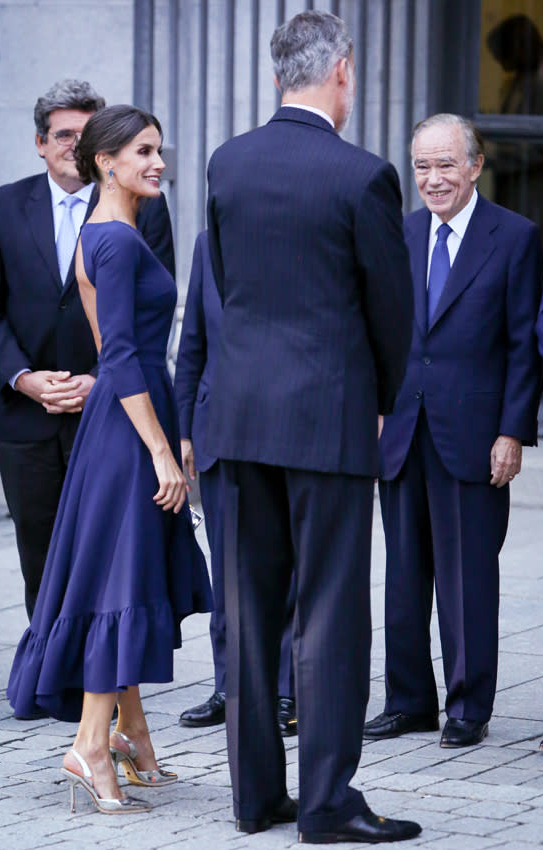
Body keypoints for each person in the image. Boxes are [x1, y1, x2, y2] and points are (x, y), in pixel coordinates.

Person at [206, 10, 420, 845]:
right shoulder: (361, 175)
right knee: (330, 611)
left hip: (241, 412)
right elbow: (392, 313)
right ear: (343, 70)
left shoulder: (228, 163)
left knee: (252, 608)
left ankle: (256, 797)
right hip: (326, 415)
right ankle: (326, 803)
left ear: (275, 75)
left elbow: (225, 285)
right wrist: (381, 396)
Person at [6, 104, 212, 814]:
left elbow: (108, 350)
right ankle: (90, 744)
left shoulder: (98, 232)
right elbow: (121, 354)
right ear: (106, 161)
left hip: (116, 418)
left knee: (114, 576)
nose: (159, 162)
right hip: (130, 431)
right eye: (144, 151)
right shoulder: (119, 242)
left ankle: (132, 737)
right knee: (117, 585)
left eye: (160, 149)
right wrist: (161, 451)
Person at [364, 113, 543, 750]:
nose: (433, 178)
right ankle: (408, 701)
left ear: (475, 165)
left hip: (473, 433)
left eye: (445, 164)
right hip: (403, 429)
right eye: (421, 165)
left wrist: (513, 432)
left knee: (468, 578)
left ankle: (468, 706)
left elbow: (525, 345)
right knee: (404, 576)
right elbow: (380, 330)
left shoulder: (515, 237)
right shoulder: (399, 233)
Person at [0, 79, 175, 623]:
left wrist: (101, 379)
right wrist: (23, 377)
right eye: (63, 134)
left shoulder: (141, 207)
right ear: (40, 143)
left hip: (110, 405)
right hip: (26, 416)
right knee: (40, 553)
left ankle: (103, 679)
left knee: (111, 554)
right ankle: (53, 675)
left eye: (84, 133)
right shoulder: (2, 205)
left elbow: (147, 314)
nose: (74, 144)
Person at [175, 230, 297, 735]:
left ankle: (287, 688)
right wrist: (184, 430)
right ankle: (230, 685)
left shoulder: (301, 240)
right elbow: (193, 345)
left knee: (286, 562)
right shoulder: (210, 244)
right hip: (218, 430)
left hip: (285, 428)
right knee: (226, 564)